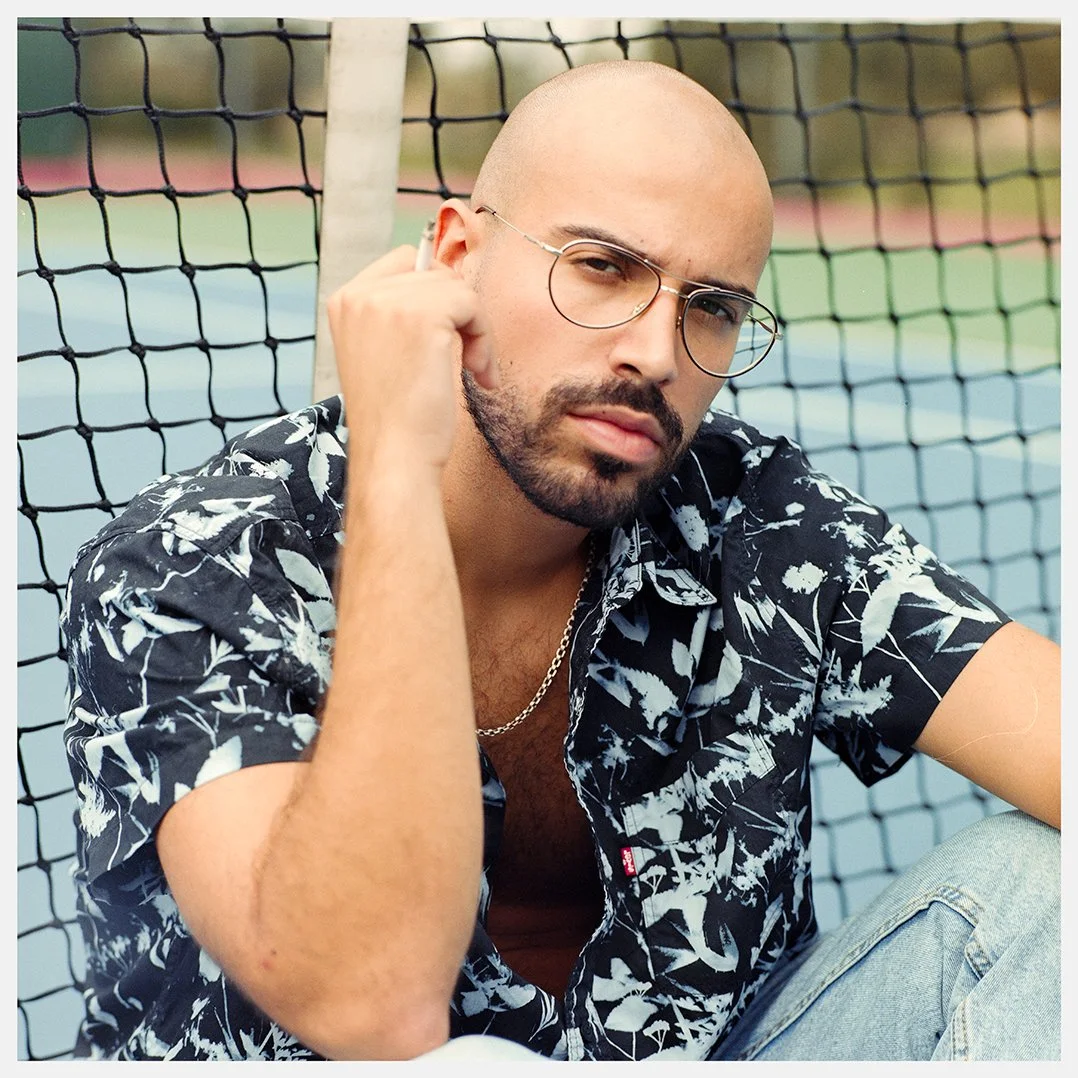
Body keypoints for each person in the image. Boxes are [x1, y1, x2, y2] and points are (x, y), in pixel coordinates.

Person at [61, 59, 1060, 1062]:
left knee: (1041, 891)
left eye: (709, 305)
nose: (656, 351)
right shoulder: (192, 563)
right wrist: (396, 469)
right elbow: (370, 1003)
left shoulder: (757, 522)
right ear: (454, 257)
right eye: (602, 266)